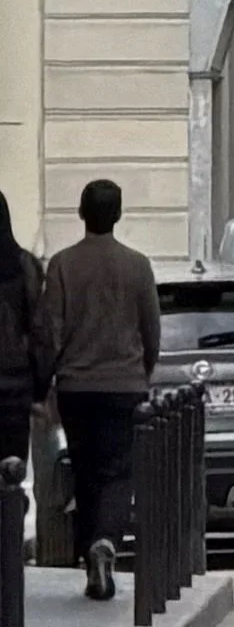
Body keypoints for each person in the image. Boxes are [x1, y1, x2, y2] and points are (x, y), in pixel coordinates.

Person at [43, 179, 160, 601]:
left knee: (87, 469)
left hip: (76, 388)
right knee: (118, 471)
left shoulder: (61, 265)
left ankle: (89, 548)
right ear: (119, 214)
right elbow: (152, 330)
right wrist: (142, 373)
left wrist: (48, 384)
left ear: (80, 212)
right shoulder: (138, 266)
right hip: (124, 385)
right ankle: (106, 541)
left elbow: (51, 332)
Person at [0, 192, 52, 478]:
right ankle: (11, 519)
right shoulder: (26, 267)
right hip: (15, 388)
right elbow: (41, 334)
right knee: (12, 471)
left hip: (15, 385)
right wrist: (40, 390)